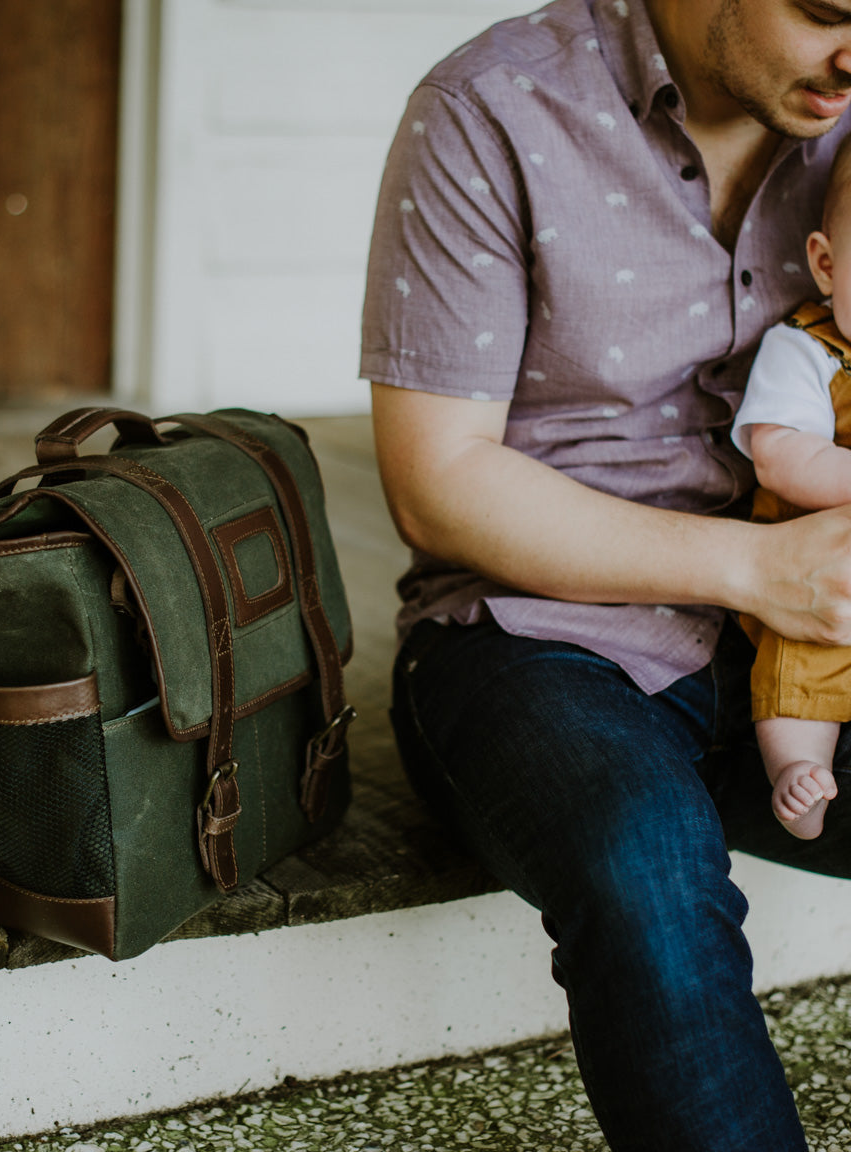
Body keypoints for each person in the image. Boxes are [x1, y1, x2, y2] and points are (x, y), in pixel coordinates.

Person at [361, 1, 851, 1149]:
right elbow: (437, 484)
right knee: (643, 861)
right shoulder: (488, 109)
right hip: (543, 638)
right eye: (826, 9)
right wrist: (761, 568)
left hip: (817, 650)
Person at [732, 139, 851, 842]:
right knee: (799, 669)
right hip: (815, 573)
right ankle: (799, 774)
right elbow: (779, 458)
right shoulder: (803, 350)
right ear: (828, 265)